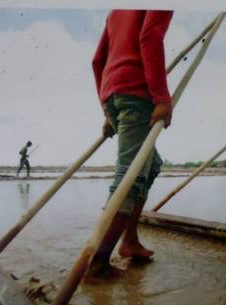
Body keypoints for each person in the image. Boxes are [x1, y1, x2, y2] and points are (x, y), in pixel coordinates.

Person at [87, 9, 173, 281]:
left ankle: (129, 240)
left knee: (151, 165)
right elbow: (149, 37)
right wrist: (161, 97)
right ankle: (98, 264)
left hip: (113, 93)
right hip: (136, 93)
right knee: (130, 176)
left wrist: (106, 108)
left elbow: (97, 61)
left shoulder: (115, 11)